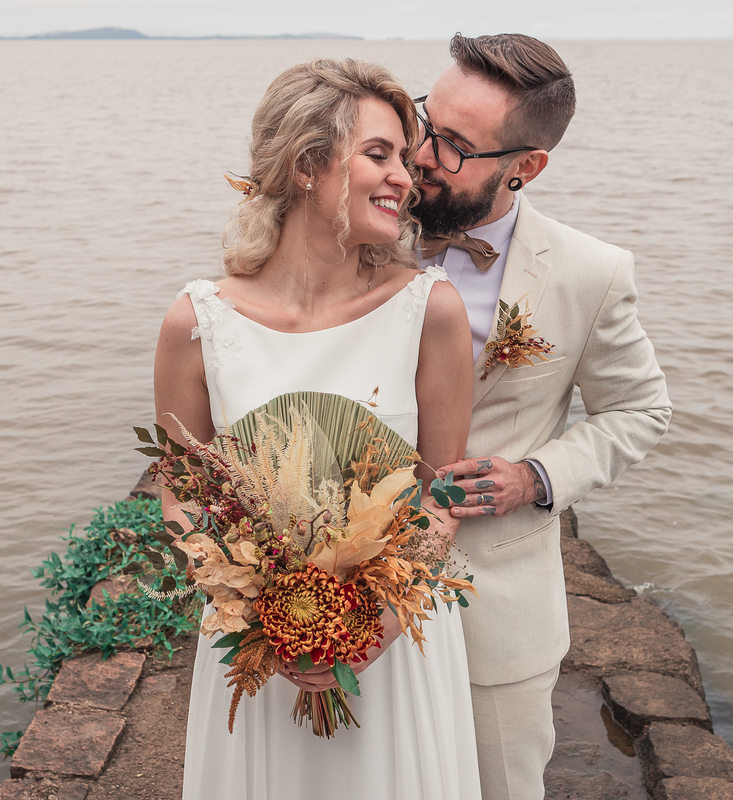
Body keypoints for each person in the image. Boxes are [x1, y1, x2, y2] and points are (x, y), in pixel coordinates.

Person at [154, 59, 481, 800]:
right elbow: (179, 494)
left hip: (394, 652)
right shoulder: (199, 323)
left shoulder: (430, 310)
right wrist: (250, 600)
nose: (406, 175)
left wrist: (376, 628)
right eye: (379, 154)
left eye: (407, 156)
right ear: (308, 165)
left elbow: (443, 493)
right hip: (255, 659)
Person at [412, 34, 673, 800]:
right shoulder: (357, 226)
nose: (423, 154)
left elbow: (641, 409)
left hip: (494, 607)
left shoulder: (592, 272)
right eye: (427, 123)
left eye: (456, 146)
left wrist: (536, 476)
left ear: (525, 167)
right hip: (348, 583)